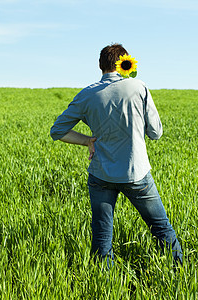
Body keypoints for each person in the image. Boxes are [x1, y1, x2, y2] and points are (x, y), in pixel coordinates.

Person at [50, 43, 182, 267]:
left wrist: (86, 140)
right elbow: (156, 133)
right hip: (136, 173)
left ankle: (104, 283)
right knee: (161, 228)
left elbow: (57, 131)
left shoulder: (87, 94)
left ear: (100, 66)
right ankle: (180, 271)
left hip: (101, 175)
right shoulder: (138, 87)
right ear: (125, 63)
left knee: (102, 237)